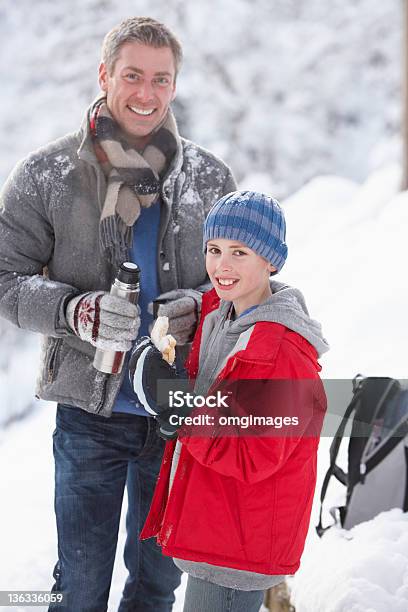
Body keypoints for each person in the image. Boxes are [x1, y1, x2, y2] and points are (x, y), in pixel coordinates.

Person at [0, 17, 236, 612]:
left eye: (161, 78)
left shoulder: (209, 180)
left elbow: (238, 286)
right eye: (132, 75)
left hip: (178, 410)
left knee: (157, 585)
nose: (146, 93)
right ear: (104, 75)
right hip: (88, 413)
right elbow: (4, 279)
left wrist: (198, 305)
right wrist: (73, 310)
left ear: (175, 85)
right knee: (78, 591)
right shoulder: (47, 176)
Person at [129, 191, 329, 612]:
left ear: (271, 260)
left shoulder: (277, 349)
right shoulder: (224, 316)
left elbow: (254, 452)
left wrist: (181, 411)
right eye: (215, 250)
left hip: (239, 542)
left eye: (240, 252)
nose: (222, 265)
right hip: (219, 526)